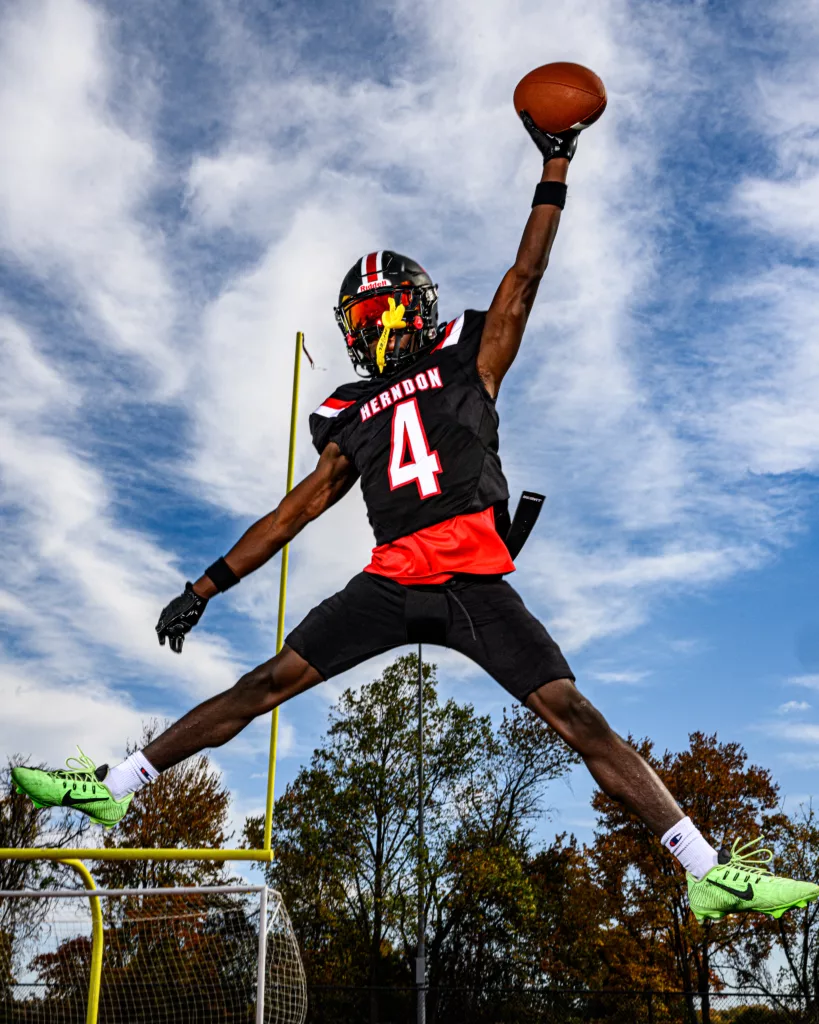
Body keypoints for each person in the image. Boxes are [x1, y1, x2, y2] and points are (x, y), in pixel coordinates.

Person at [13, 115, 818, 924]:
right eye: (355, 324)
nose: (366, 334)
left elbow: (525, 274)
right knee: (261, 684)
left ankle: (704, 868)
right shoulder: (349, 410)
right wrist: (204, 586)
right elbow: (292, 511)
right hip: (390, 579)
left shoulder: (471, 355)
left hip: (471, 573)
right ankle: (118, 787)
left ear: (412, 308)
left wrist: (555, 167)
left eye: (374, 315)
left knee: (574, 715)